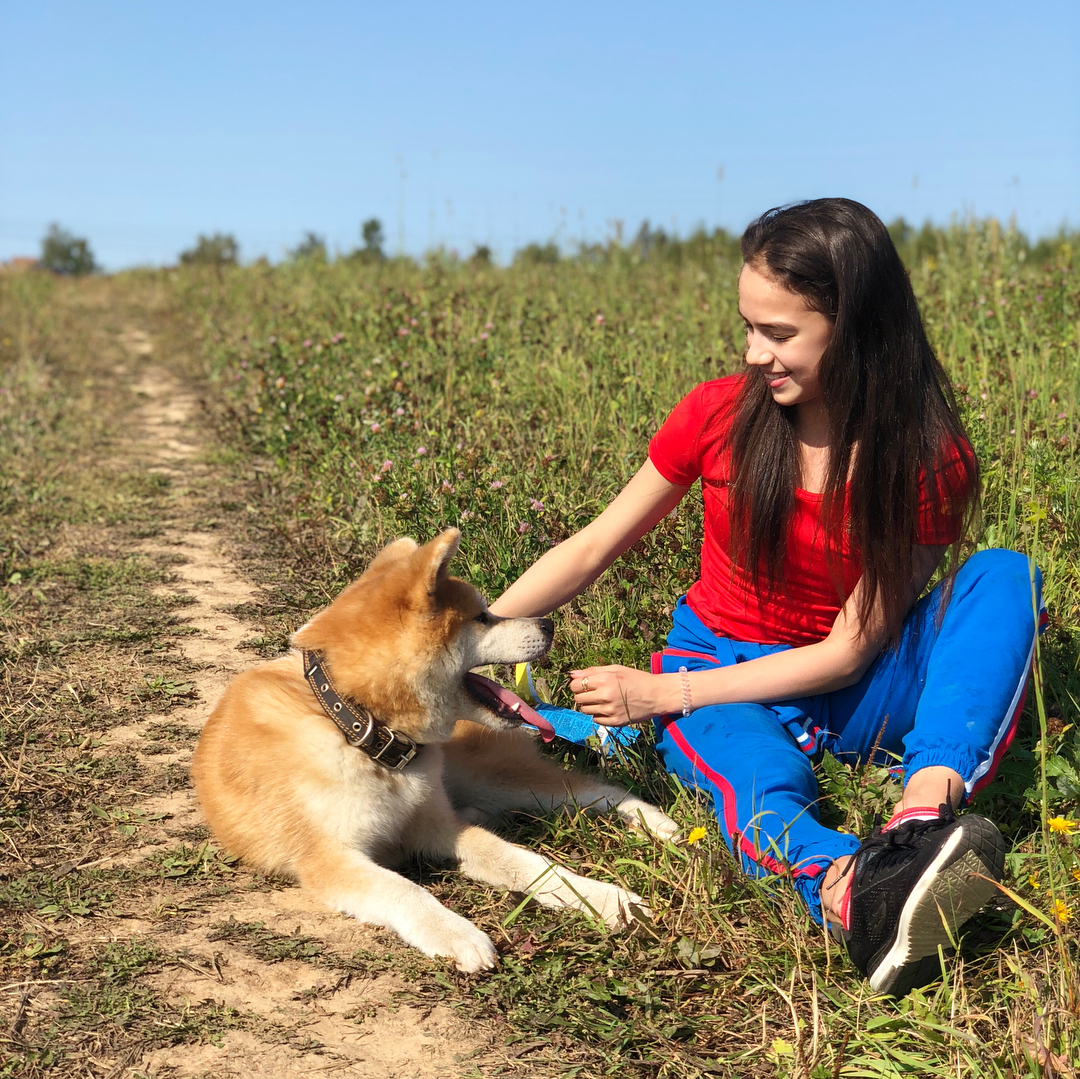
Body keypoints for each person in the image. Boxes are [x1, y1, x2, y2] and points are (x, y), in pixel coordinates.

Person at [489, 198, 1044, 997]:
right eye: (749, 327)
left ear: (855, 327)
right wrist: (462, 641)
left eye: (779, 333)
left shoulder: (926, 456)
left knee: (1004, 576)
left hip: (851, 681)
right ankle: (855, 889)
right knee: (757, 784)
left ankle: (922, 818)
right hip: (722, 670)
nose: (755, 353)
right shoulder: (716, 415)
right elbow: (590, 547)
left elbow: (851, 648)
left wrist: (661, 694)